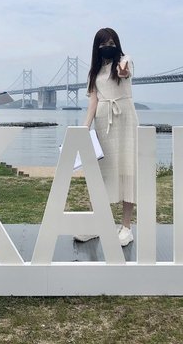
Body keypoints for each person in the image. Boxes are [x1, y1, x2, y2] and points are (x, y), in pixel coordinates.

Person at [79, 27, 139, 246]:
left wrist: (123, 70)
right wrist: (84, 129)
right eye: (103, 44)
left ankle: (126, 227)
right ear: (97, 47)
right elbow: (93, 102)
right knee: (102, 173)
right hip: (103, 123)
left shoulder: (124, 61)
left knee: (127, 170)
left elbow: (125, 71)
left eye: (112, 43)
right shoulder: (94, 73)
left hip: (125, 121)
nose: (108, 47)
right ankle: (98, 224)